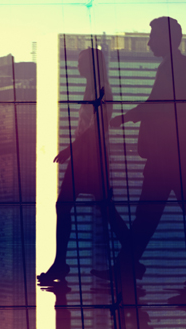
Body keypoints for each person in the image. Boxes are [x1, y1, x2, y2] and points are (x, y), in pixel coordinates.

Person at [109, 17, 186, 281]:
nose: (149, 42)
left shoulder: (174, 67)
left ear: (167, 38)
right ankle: (125, 264)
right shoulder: (177, 66)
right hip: (174, 152)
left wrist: (125, 118)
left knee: (154, 212)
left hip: (169, 153)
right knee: (177, 212)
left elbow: (157, 105)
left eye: (153, 36)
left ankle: (125, 265)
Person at [38, 47, 129, 285]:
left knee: (76, 206)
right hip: (87, 156)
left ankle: (61, 264)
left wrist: (71, 150)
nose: (77, 66)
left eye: (81, 62)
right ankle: (131, 257)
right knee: (95, 208)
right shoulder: (93, 89)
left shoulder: (101, 91)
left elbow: (97, 128)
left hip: (90, 157)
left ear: (91, 65)